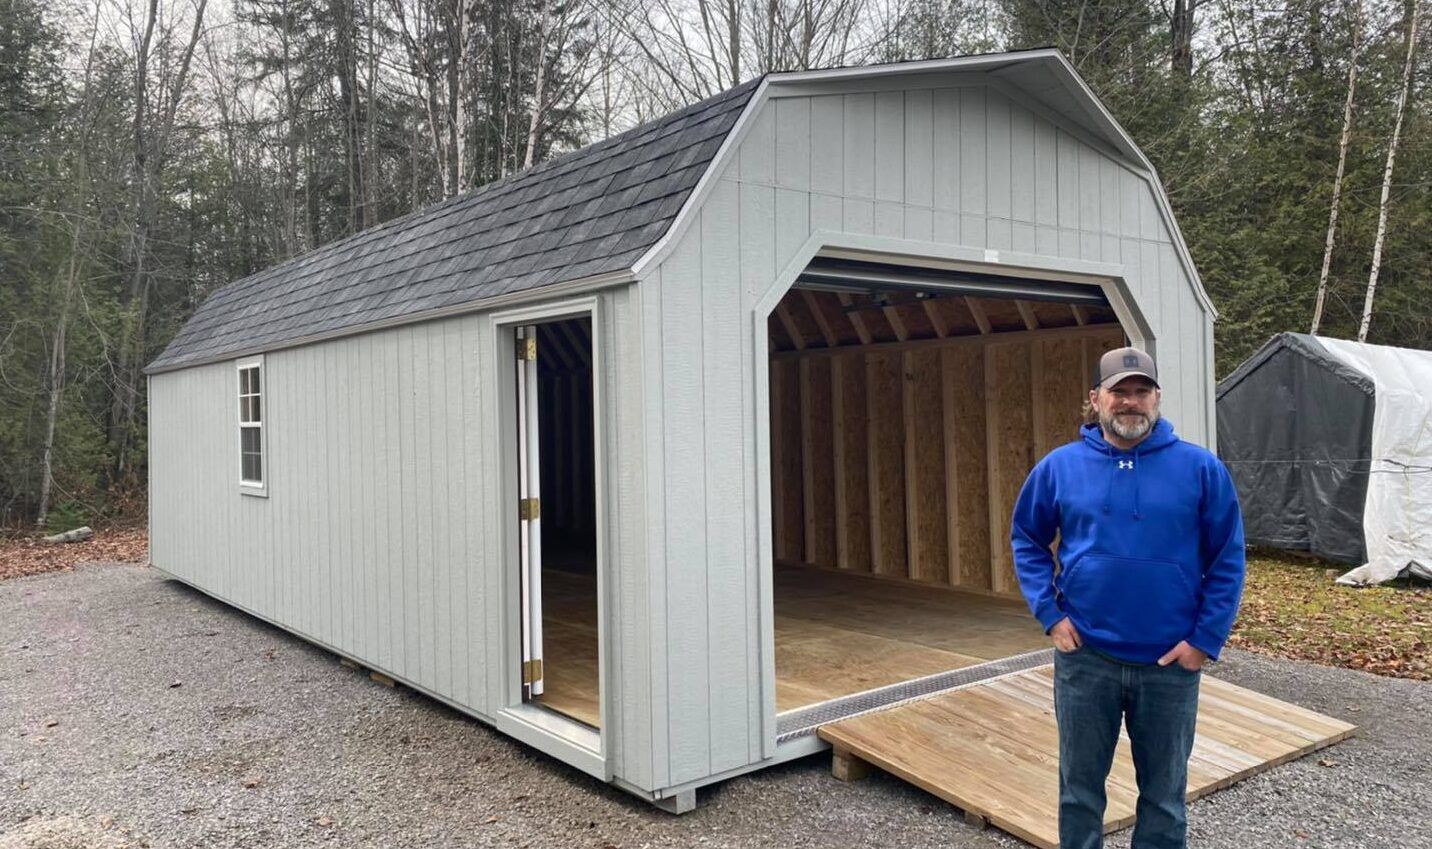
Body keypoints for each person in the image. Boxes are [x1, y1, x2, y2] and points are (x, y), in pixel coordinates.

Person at [1011, 346, 1246, 849]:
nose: (1131, 402)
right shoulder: (1060, 468)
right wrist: (1050, 615)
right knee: (1079, 793)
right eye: (1120, 392)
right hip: (1086, 659)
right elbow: (1027, 538)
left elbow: (1228, 557)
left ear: (1157, 398)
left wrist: (1204, 640)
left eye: (1142, 392)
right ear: (1096, 399)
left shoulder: (1201, 470)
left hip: (1169, 664)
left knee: (1163, 799)